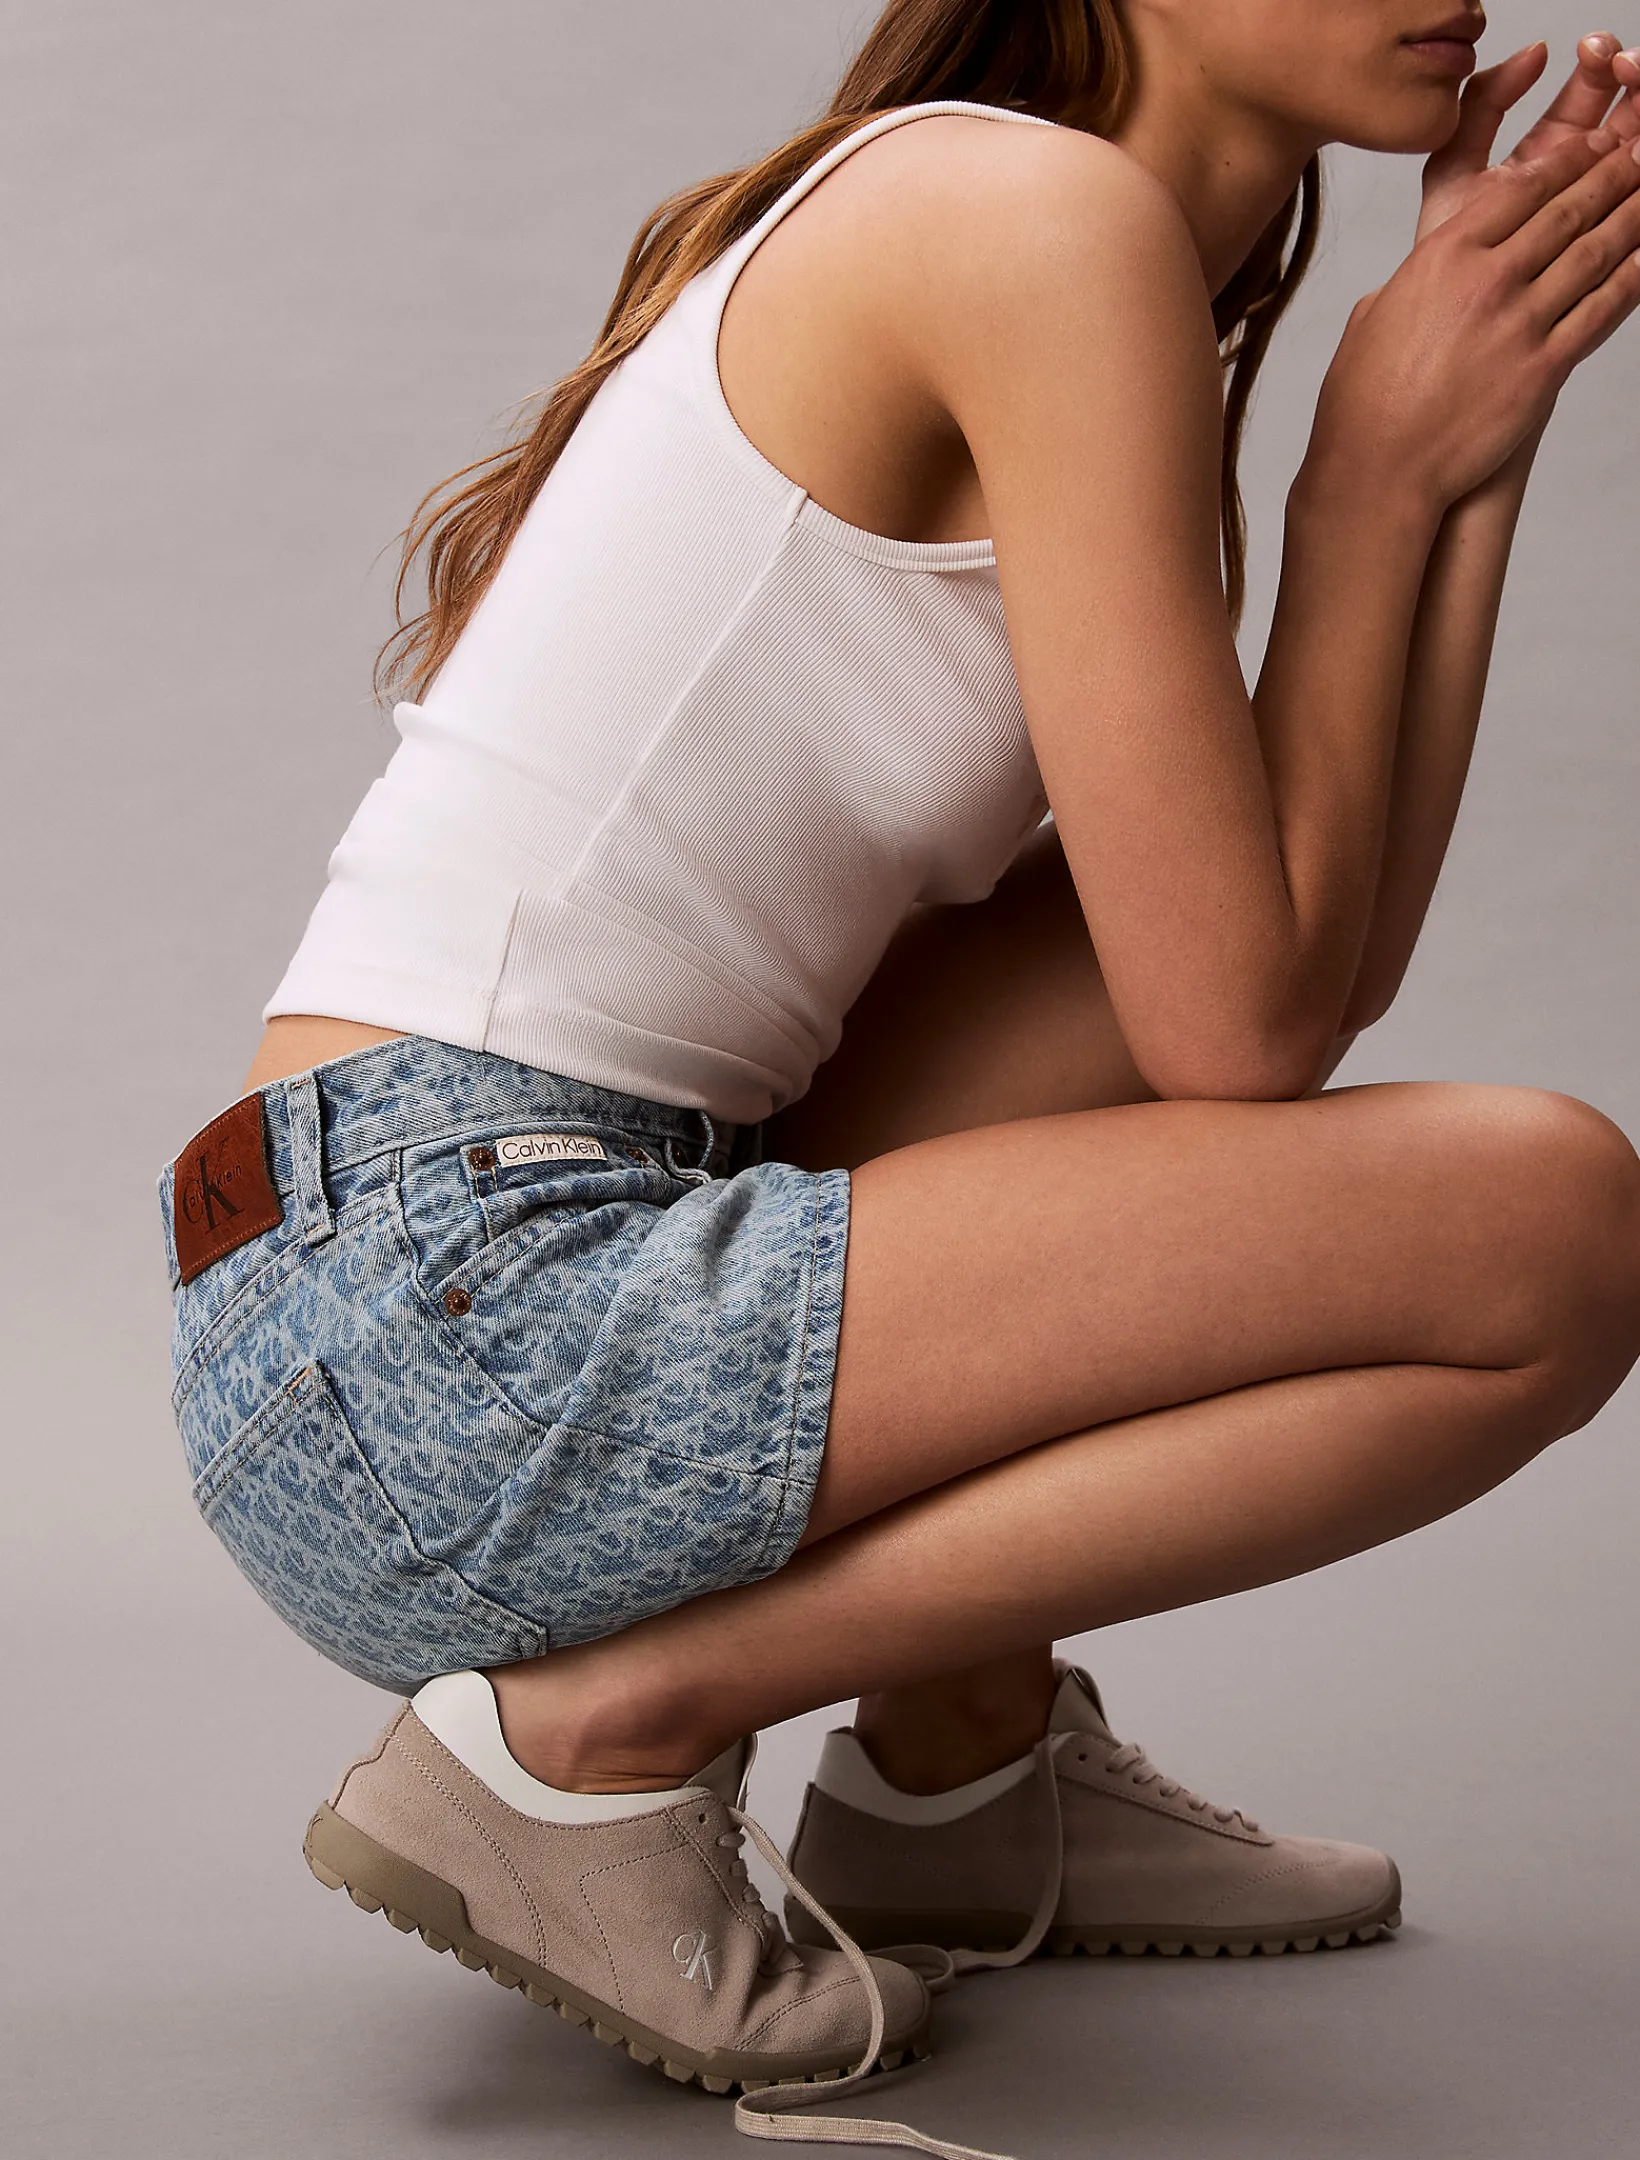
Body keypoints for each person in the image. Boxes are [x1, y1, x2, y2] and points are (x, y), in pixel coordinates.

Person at [162, 5, 1640, 2153]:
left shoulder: (1050, 235)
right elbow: (1245, 1022)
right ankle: (607, 1730)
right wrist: (1362, 476)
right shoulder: (1034, 221)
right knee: (1557, 1226)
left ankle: (960, 1769)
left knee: (1135, 1035)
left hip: (367, 1298)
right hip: (446, 1330)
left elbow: (1292, 983)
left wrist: (1455, 459)